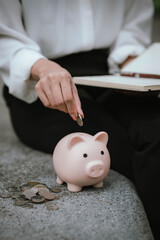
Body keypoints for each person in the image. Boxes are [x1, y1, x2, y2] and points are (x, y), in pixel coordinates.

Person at [0, 0, 159, 239]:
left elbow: (133, 22)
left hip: (109, 72)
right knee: (119, 147)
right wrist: (42, 67)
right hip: (38, 76)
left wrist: (133, 63)